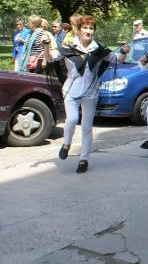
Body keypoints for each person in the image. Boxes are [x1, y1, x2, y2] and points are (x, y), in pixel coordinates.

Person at [43, 15, 129, 173]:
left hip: (91, 92)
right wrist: (46, 46)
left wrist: (124, 51)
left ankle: (84, 159)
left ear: (94, 31)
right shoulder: (69, 46)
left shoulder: (99, 50)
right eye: (85, 28)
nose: (88, 31)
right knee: (72, 119)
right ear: (79, 29)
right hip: (71, 90)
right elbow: (50, 58)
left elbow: (117, 60)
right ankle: (66, 143)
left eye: (91, 29)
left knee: (87, 128)